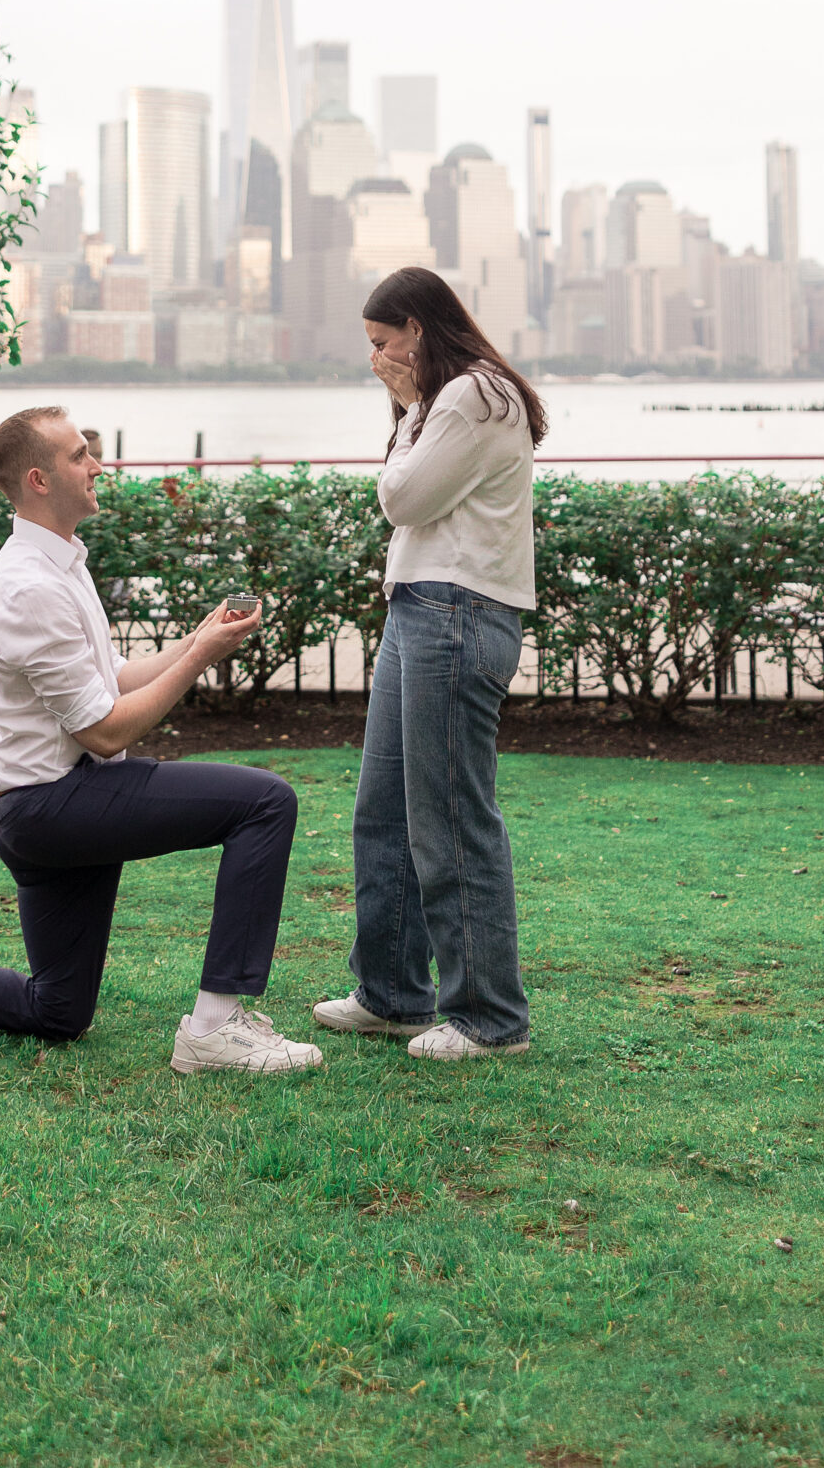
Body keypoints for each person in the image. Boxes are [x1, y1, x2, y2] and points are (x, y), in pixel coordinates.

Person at [0, 406, 323, 1076]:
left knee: (59, 1010)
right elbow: (105, 732)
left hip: (42, 805)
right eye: (81, 456)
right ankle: (217, 1025)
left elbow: (107, 683)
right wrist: (198, 661)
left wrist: (197, 640)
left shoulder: (57, 564)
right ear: (40, 479)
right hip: (55, 804)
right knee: (263, 801)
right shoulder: (29, 586)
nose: (98, 466)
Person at [315, 265, 544, 1060]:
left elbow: (403, 500)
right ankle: (391, 994)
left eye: (383, 342)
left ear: (416, 327)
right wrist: (412, 407)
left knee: (451, 820)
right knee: (383, 815)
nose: (377, 357)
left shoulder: (474, 395)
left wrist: (411, 406)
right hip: (421, 606)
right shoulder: (450, 398)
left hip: (457, 612)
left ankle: (489, 1018)